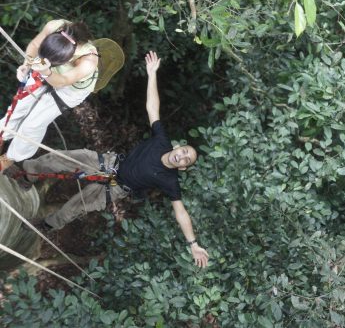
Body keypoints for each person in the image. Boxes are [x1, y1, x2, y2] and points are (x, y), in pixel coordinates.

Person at [19, 51, 209, 268]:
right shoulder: (161, 141)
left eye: (186, 160)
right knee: (62, 159)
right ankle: (29, 173)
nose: (182, 156)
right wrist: (152, 74)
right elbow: (152, 108)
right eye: (185, 151)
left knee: (74, 208)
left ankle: (45, 225)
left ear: (183, 168)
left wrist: (193, 244)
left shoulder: (170, 181)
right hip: (108, 164)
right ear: (178, 146)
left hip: (115, 188)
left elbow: (181, 212)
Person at [0, 19, 99, 172]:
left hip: (69, 88)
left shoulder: (88, 60)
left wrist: (46, 71)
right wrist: (27, 65)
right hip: (43, 68)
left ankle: (11, 157)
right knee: (19, 107)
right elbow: (34, 46)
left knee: (33, 124)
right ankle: (2, 134)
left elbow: (62, 81)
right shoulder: (54, 26)